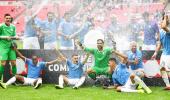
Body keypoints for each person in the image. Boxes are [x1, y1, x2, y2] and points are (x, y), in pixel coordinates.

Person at [151, 15, 170, 90]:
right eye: (164, 19)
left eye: (167, 19)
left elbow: (164, 27)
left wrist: (165, 17)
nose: (165, 20)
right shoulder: (161, 32)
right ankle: (168, 85)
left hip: (169, 55)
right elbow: (160, 44)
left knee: (168, 70)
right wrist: (155, 53)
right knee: (162, 69)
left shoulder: (168, 29)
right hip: (164, 54)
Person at [0, 13, 19, 81]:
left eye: (9, 18)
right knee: (3, 63)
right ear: (4, 19)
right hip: (3, 47)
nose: (8, 19)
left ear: (11, 19)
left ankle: (15, 80)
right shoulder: (1, 26)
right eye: (7, 18)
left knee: (13, 63)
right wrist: (5, 37)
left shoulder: (13, 27)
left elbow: (13, 36)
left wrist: (16, 37)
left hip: (11, 47)